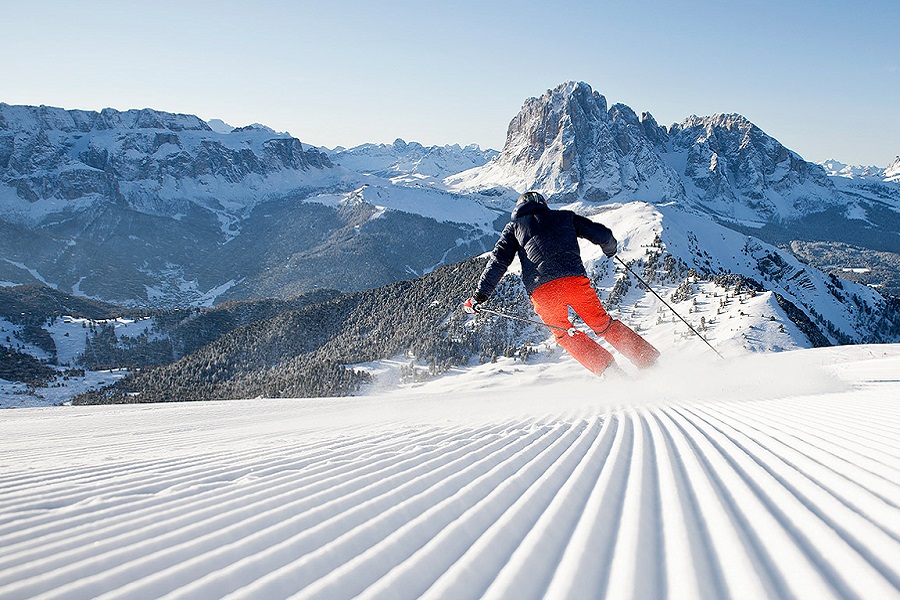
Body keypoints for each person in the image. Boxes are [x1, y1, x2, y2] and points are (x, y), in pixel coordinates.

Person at [464, 191, 659, 376]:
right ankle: (648, 361)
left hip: (542, 291)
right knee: (602, 323)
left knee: (565, 333)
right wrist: (610, 249)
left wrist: (480, 296)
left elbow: (498, 262)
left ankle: (610, 372)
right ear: (544, 204)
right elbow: (603, 235)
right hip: (574, 281)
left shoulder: (514, 228)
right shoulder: (564, 217)